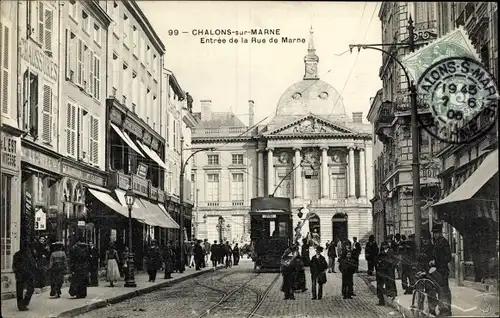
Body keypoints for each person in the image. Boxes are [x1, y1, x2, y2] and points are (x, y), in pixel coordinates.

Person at [431, 223, 452, 316]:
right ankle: (443, 310)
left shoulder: (443, 242)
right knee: (440, 290)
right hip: (438, 270)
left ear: (440, 233)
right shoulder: (437, 242)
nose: (435, 235)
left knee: (444, 290)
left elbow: (448, 257)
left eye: (437, 233)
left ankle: (446, 311)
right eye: (434, 233)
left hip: (443, 270)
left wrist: (436, 262)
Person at [13, 241, 38, 311]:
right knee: (30, 288)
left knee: (20, 290)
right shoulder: (29, 254)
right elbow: (33, 264)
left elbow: (14, 265)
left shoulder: (17, 254)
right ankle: (24, 303)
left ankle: (21, 304)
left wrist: (16, 272)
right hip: (27, 274)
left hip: (21, 274)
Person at [375, 241, 391, 306]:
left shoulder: (390, 253)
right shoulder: (380, 253)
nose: (383, 246)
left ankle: (386, 301)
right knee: (379, 287)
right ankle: (381, 300)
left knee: (387, 286)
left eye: (385, 245)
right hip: (380, 272)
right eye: (383, 245)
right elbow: (376, 260)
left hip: (386, 272)